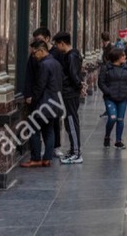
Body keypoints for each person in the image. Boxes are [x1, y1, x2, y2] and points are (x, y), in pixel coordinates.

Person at [20, 40, 63, 168]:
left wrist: (32, 100)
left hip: (43, 105)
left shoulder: (44, 65)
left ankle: (36, 158)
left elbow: (40, 86)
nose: (33, 56)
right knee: (49, 131)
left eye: (34, 53)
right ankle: (47, 159)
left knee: (33, 130)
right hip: (54, 103)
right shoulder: (56, 63)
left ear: (42, 50)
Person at [53, 32, 84, 164]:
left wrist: (79, 86)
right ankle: (73, 150)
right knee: (70, 121)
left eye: (56, 44)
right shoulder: (73, 54)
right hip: (70, 92)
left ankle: (76, 153)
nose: (56, 47)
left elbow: (73, 74)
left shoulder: (71, 56)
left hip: (70, 93)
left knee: (71, 121)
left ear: (62, 44)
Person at [98, 48, 127, 149]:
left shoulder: (126, 68)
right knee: (112, 118)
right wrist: (108, 91)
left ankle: (118, 141)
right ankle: (107, 136)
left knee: (120, 119)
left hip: (122, 97)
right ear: (117, 57)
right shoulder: (106, 68)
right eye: (123, 55)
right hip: (110, 97)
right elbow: (101, 82)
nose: (125, 57)